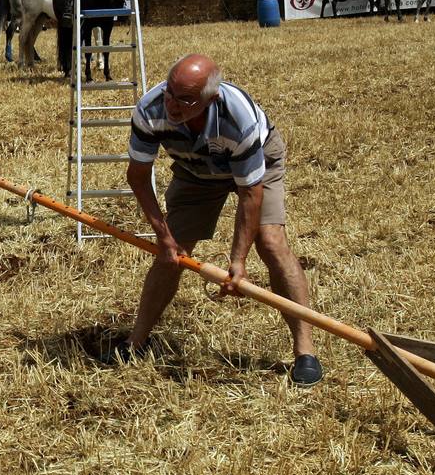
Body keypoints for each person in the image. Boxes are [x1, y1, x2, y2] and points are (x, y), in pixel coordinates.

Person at [106, 54, 321, 388]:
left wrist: (238, 260)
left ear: (211, 98)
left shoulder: (238, 120)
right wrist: (163, 236)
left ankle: (305, 351)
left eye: (185, 99)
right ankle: (136, 342)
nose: (173, 105)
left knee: (271, 243)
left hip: (258, 162)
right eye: (170, 92)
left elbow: (250, 194)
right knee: (173, 253)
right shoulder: (150, 110)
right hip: (195, 170)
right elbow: (137, 177)